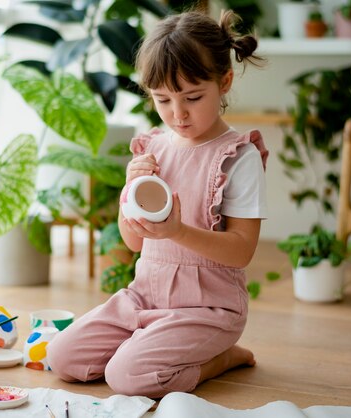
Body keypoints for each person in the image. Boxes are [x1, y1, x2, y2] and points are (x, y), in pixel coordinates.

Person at [47, 10, 268, 398]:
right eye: (163, 99)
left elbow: (242, 252)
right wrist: (130, 191)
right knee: (62, 357)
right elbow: (134, 243)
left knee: (126, 378)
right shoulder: (152, 147)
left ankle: (219, 358)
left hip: (207, 310)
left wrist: (178, 231)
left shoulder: (238, 156)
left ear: (224, 82)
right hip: (144, 298)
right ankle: (150, 346)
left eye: (193, 97)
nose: (177, 114)